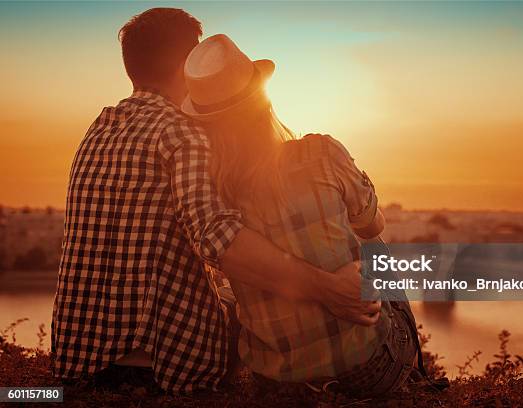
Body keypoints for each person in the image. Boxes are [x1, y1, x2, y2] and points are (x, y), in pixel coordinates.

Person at [52, 8, 379, 393]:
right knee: (376, 253)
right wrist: (328, 288)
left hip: (80, 358)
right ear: (186, 66)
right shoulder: (182, 133)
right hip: (164, 363)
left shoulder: (100, 126)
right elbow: (219, 239)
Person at [181, 34, 420, 397]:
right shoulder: (321, 152)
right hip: (367, 372)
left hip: (276, 383)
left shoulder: (214, 194)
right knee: (378, 250)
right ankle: (414, 375)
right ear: (263, 100)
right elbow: (372, 225)